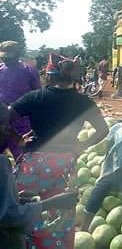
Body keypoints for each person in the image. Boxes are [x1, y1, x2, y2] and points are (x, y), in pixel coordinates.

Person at [2, 56, 109, 249]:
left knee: (28, 212)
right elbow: (103, 130)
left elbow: (6, 114)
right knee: (61, 218)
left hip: (33, 166)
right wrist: (81, 145)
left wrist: (17, 138)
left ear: (49, 76)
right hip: (64, 169)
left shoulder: (35, 97)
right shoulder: (83, 102)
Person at [0, 103, 78, 249]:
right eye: (4, 125)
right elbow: (9, 218)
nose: (7, 131)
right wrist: (51, 203)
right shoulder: (1, 164)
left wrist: (16, 198)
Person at [0, 41, 41, 159]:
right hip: (2, 120)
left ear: (18, 55)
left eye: (9, 57)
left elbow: (37, 94)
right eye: (3, 57)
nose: (6, 60)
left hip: (22, 121)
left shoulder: (28, 71)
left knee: (22, 155)